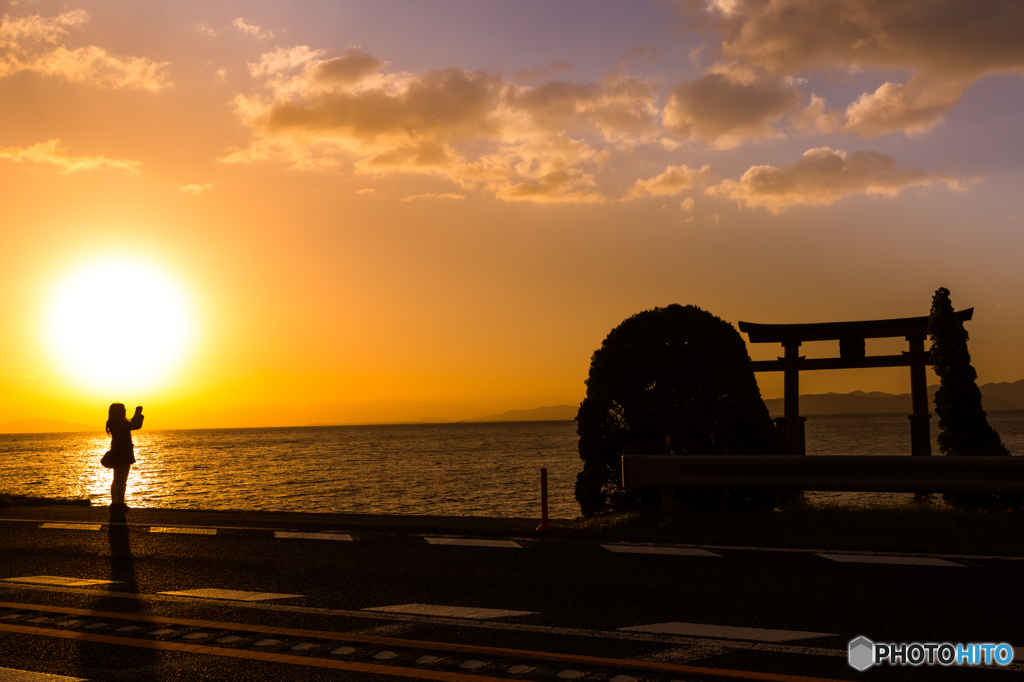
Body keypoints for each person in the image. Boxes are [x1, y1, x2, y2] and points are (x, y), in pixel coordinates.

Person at [105, 403, 143, 510]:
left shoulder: (113, 423)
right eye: (124, 410)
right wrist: (138, 413)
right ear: (119, 412)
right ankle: (118, 503)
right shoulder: (120, 423)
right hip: (123, 453)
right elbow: (135, 425)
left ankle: (116, 502)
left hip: (117, 452)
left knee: (117, 479)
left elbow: (132, 425)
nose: (125, 411)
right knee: (121, 479)